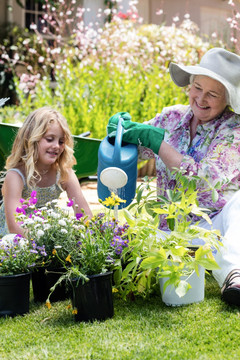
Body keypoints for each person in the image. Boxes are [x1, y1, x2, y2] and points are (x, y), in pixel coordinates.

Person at [107, 47, 240, 307]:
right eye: (197, 88)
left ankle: (234, 277)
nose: (201, 98)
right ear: (189, 86)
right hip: (171, 230)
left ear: (227, 99)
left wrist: (159, 145)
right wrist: (119, 131)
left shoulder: (233, 129)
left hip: (216, 229)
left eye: (212, 94)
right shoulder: (171, 117)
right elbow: (136, 146)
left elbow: (203, 178)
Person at [0, 106, 93, 237]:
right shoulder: (16, 176)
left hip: (47, 236)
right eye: (50, 139)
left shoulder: (64, 173)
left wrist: (84, 236)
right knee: (13, 240)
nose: (56, 146)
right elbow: (15, 226)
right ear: (31, 140)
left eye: (61, 141)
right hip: (15, 243)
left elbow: (85, 215)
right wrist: (47, 243)